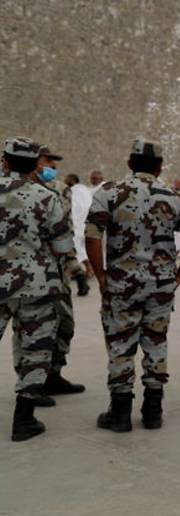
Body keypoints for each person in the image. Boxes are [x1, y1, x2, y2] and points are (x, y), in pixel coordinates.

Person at [86, 139, 180, 432]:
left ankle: (120, 412)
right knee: (156, 341)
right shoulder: (175, 197)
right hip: (161, 286)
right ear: (160, 166)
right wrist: (176, 277)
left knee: (120, 345)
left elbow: (92, 236)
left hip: (121, 284)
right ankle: (153, 411)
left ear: (129, 163)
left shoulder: (110, 192)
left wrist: (100, 275)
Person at [0, 137, 73, 441]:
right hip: (37, 285)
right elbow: (61, 247)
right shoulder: (48, 198)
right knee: (36, 349)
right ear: (34, 166)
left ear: (4, 161)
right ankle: (23, 420)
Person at [30, 146, 89, 402]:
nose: (52, 166)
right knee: (32, 331)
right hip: (25, 275)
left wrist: (76, 268)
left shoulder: (59, 190)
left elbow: (65, 230)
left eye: (54, 162)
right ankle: (32, 385)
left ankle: (53, 375)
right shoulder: (10, 188)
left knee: (64, 326)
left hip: (57, 271)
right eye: (48, 161)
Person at [64, 172, 94, 293]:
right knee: (80, 248)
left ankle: (87, 270)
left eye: (66, 179)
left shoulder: (74, 191)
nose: (65, 181)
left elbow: (74, 207)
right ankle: (81, 272)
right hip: (85, 222)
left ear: (71, 180)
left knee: (76, 249)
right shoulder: (85, 190)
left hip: (76, 223)